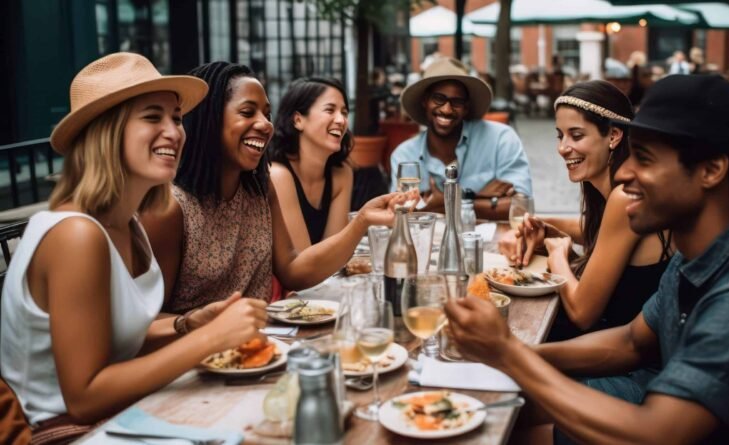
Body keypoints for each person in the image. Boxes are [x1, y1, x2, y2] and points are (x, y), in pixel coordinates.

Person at [445, 74, 729, 444]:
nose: (626, 172)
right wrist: (515, 351)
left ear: (711, 171)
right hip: (650, 387)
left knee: (493, 423)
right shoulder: (696, 255)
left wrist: (507, 354)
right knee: (487, 410)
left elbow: (657, 434)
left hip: (653, 415)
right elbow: (630, 342)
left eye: (643, 158)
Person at [0, 53, 269, 441]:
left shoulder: (127, 223)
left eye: (176, 118)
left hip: (124, 418)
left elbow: (112, 329)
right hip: (64, 432)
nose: (174, 132)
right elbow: (85, 397)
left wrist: (185, 322)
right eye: (152, 117)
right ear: (106, 132)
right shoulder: (77, 234)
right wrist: (207, 340)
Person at [141, 62, 411, 315]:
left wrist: (362, 220)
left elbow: (294, 270)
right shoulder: (170, 208)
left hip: (267, 348)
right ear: (210, 119)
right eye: (248, 112)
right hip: (202, 357)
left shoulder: (259, 189)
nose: (265, 124)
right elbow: (149, 319)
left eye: (267, 114)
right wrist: (194, 324)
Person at [507, 80, 671, 342]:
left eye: (577, 135)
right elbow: (596, 230)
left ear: (614, 136)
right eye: (560, 136)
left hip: (626, 361)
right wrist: (545, 225)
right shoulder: (607, 191)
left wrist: (557, 254)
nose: (563, 148)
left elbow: (583, 314)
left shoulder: (624, 196)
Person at [390, 57, 532, 220]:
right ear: (425, 101)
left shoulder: (501, 139)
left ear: (466, 108)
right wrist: (482, 198)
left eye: (456, 102)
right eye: (439, 98)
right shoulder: (404, 156)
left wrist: (447, 204)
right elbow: (399, 215)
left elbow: (522, 208)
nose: (446, 109)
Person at [268, 78, 353, 250]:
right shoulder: (278, 175)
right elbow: (302, 262)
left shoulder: (341, 174)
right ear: (298, 120)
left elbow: (333, 254)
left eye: (344, 113)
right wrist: (362, 221)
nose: (341, 120)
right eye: (330, 110)